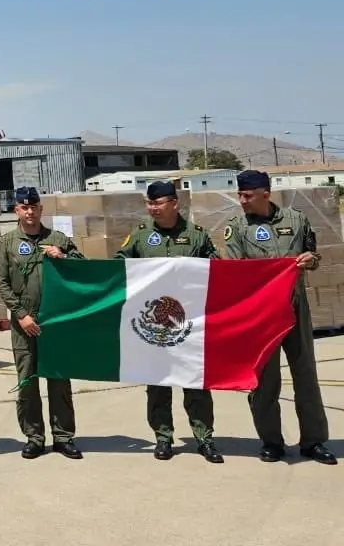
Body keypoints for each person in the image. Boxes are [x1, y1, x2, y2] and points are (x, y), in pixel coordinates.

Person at [224, 169, 336, 465]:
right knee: (265, 380)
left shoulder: (295, 220)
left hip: (295, 307)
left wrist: (311, 260)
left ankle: (313, 441)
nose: (242, 201)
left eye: (247, 195)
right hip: (260, 314)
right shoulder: (237, 227)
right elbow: (235, 272)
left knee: (306, 376)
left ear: (265, 193)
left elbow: (313, 254)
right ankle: (271, 441)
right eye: (240, 195)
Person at [115, 181, 223, 463]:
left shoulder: (197, 236)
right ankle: (163, 438)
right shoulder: (140, 236)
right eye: (149, 203)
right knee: (158, 384)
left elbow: (218, 271)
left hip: (189, 325)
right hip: (153, 327)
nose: (152, 208)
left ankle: (205, 439)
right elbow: (118, 268)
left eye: (158, 203)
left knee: (195, 384)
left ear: (174, 203)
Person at [0, 186, 84, 460]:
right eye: (24, 207)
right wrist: (21, 314)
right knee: (27, 381)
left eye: (34, 206)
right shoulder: (6, 243)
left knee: (59, 380)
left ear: (41, 209)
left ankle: (63, 436)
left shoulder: (57, 238)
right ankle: (34, 437)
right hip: (25, 322)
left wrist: (64, 256)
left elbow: (84, 267)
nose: (29, 211)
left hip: (55, 320)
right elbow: (2, 283)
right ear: (16, 210)